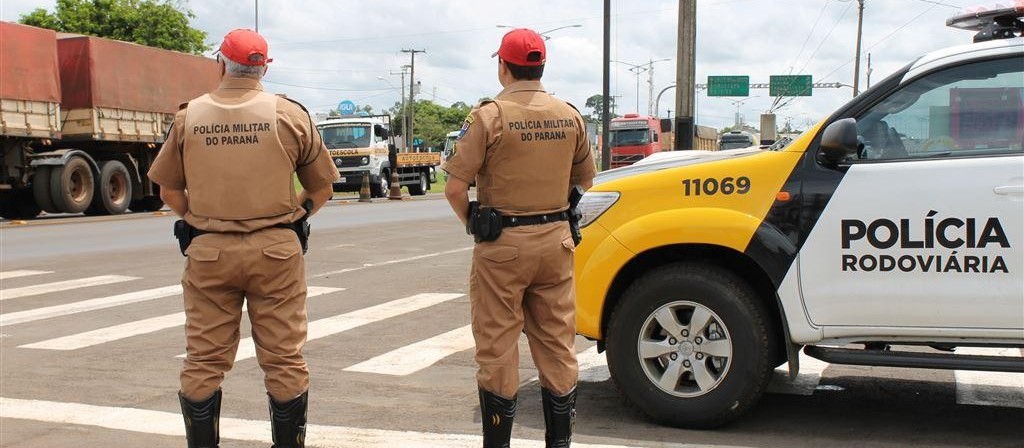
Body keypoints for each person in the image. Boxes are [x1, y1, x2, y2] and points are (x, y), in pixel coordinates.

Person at [148, 28, 338, 448]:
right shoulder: (289, 115)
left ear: (221, 63)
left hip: (210, 252)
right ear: (264, 68)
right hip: (276, 251)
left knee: (204, 360)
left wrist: (198, 221)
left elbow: (168, 190)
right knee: (284, 359)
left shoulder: (190, 116)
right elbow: (322, 187)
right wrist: (295, 218)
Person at [442, 28, 597, 448]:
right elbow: (586, 177)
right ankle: (559, 442)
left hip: (503, 246)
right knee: (557, 344)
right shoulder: (569, 114)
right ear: (541, 67)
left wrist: (475, 222)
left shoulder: (488, 117)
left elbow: (455, 189)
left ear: (503, 67)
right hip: (555, 241)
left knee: (497, 348)